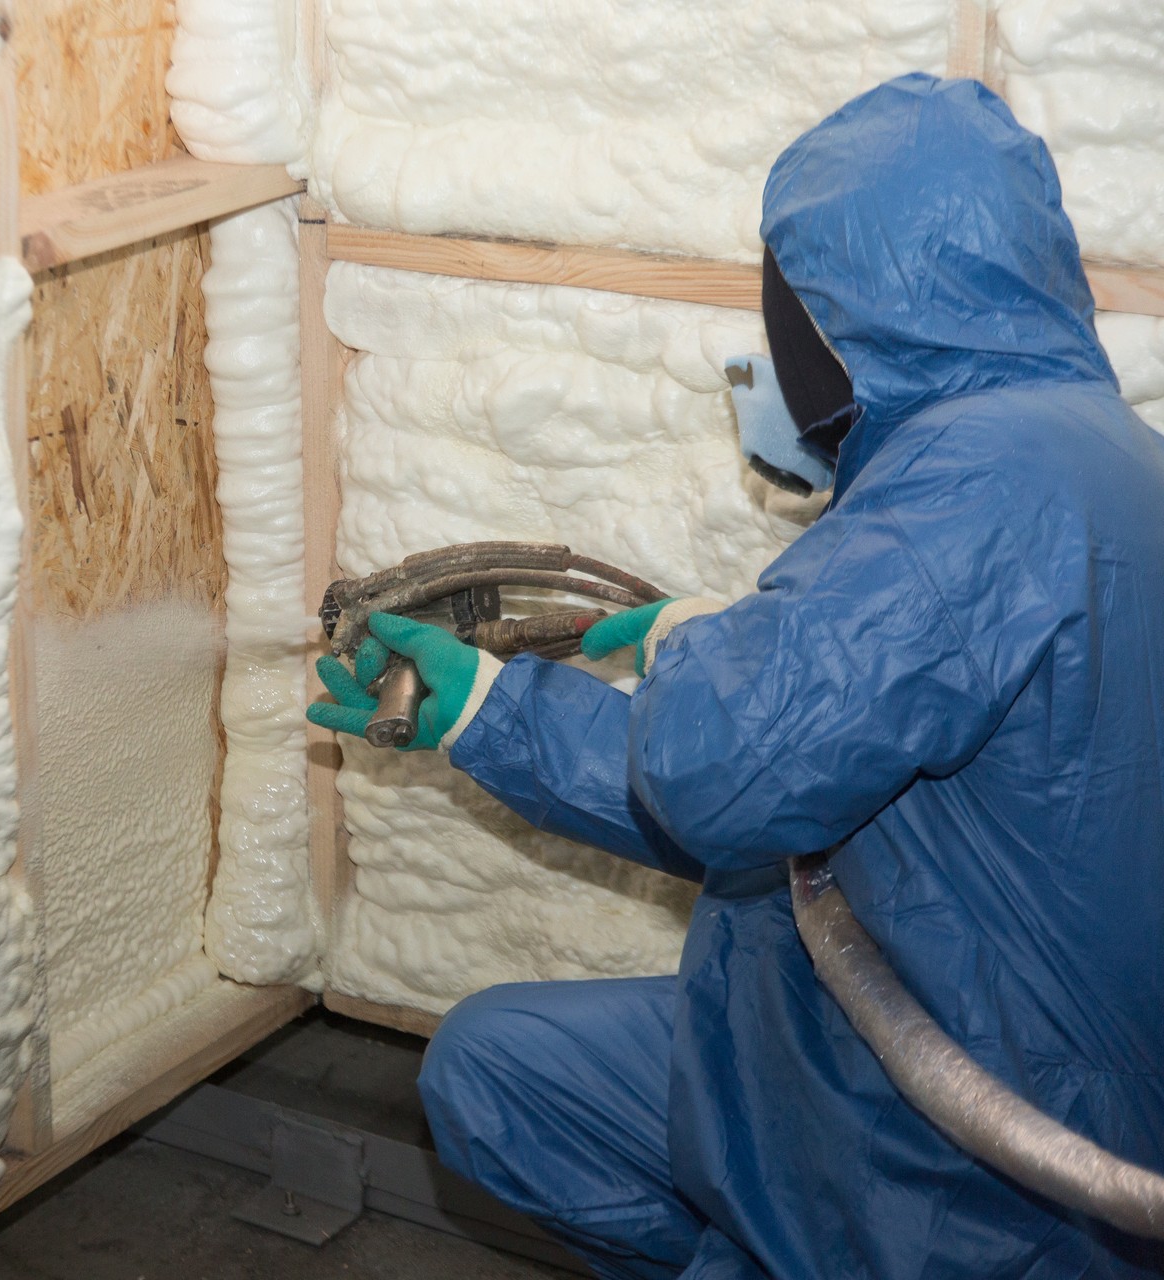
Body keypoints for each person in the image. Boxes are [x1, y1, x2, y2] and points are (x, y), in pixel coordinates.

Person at [308, 74, 1164, 1278]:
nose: (777, 352)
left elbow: (718, 778)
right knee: (500, 1070)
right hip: (870, 1008)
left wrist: (583, 676)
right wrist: (510, 710)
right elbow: (807, 802)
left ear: (846, 309)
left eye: (791, 308)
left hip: (967, 1141)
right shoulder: (1080, 447)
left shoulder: (974, 489)